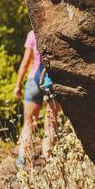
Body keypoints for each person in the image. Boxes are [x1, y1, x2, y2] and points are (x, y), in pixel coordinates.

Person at [13, 29, 59, 166]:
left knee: (28, 123)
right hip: (51, 80)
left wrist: (18, 85)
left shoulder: (32, 34)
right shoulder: (55, 31)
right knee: (51, 121)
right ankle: (48, 158)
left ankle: (22, 160)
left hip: (34, 79)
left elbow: (26, 62)